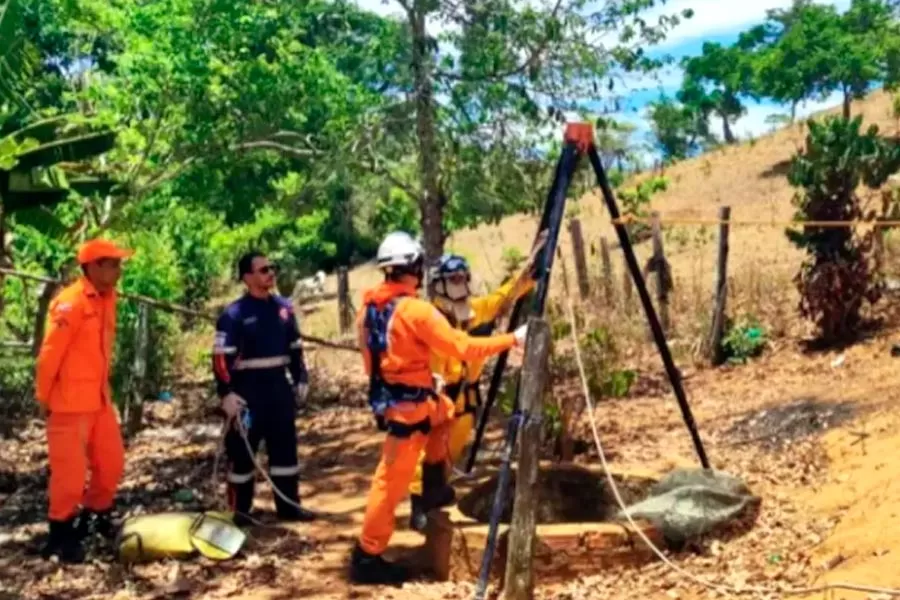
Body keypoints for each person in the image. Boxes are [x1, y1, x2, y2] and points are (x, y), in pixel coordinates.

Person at [349, 231, 529, 585]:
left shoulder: (369, 309)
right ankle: (367, 555)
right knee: (388, 485)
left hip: (405, 401)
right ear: (415, 267)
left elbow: (371, 362)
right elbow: (462, 346)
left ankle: (433, 484)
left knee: (445, 412)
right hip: (409, 407)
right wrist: (512, 340)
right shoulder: (418, 311)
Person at [406, 231, 547, 531]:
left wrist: (528, 272)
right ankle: (418, 503)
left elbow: (503, 297)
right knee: (426, 453)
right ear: (440, 284)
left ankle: (437, 491)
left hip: (465, 399)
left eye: (463, 277)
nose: (461, 284)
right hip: (437, 395)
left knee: (450, 450)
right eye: (454, 279)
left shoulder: (474, 311)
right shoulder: (430, 317)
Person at [35, 238, 133, 563]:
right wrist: (44, 397)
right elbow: (50, 355)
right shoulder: (70, 303)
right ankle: (60, 535)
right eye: (113, 264)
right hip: (68, 404)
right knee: (70, 476)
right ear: (93, 266)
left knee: (111, 463)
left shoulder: (107, 298)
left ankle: (95, 518)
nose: (119, 270)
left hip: (99, 401)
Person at [213, 251, 315, 525]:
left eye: (272, 268)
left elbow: (295, 348)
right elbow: (221, 359)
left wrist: (301, 378)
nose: (270, 273)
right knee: (242, 455)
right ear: (247, 278)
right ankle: (240, 512)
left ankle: (289, 507)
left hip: (278, 390)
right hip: (247, 395)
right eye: (263, 270)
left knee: (285, 451)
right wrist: (226, 394)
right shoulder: (234, 315)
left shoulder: (284, 308)